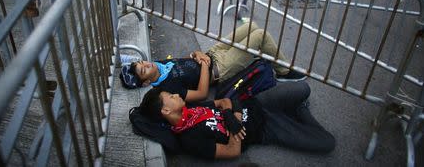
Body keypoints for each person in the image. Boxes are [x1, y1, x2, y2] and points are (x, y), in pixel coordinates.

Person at [139, 81, 335, 159]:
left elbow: (225, 101)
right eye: (170, 97)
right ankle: (299, 111)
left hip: (258, 104)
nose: (175, 95)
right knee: (327, 143)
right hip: (265, 129)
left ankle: (293, 111)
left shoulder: (191, 110)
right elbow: (233, 151)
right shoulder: (189, 139)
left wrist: (232, 117)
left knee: (303, 88)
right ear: (165, 110)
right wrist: (234, 121)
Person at [123, 22, 307, 102]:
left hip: (212, 53)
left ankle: (258, 56)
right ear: (146, 82)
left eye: (142, 63)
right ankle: (283, 72)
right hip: (219, 68)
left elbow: (184, 59)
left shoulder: (158, 65)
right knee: (260, 36)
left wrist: (196, 54)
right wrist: (204, 65)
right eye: (143, 71)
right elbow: (202, 94)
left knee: (251, 26)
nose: (147, 65)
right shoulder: (167, 88)